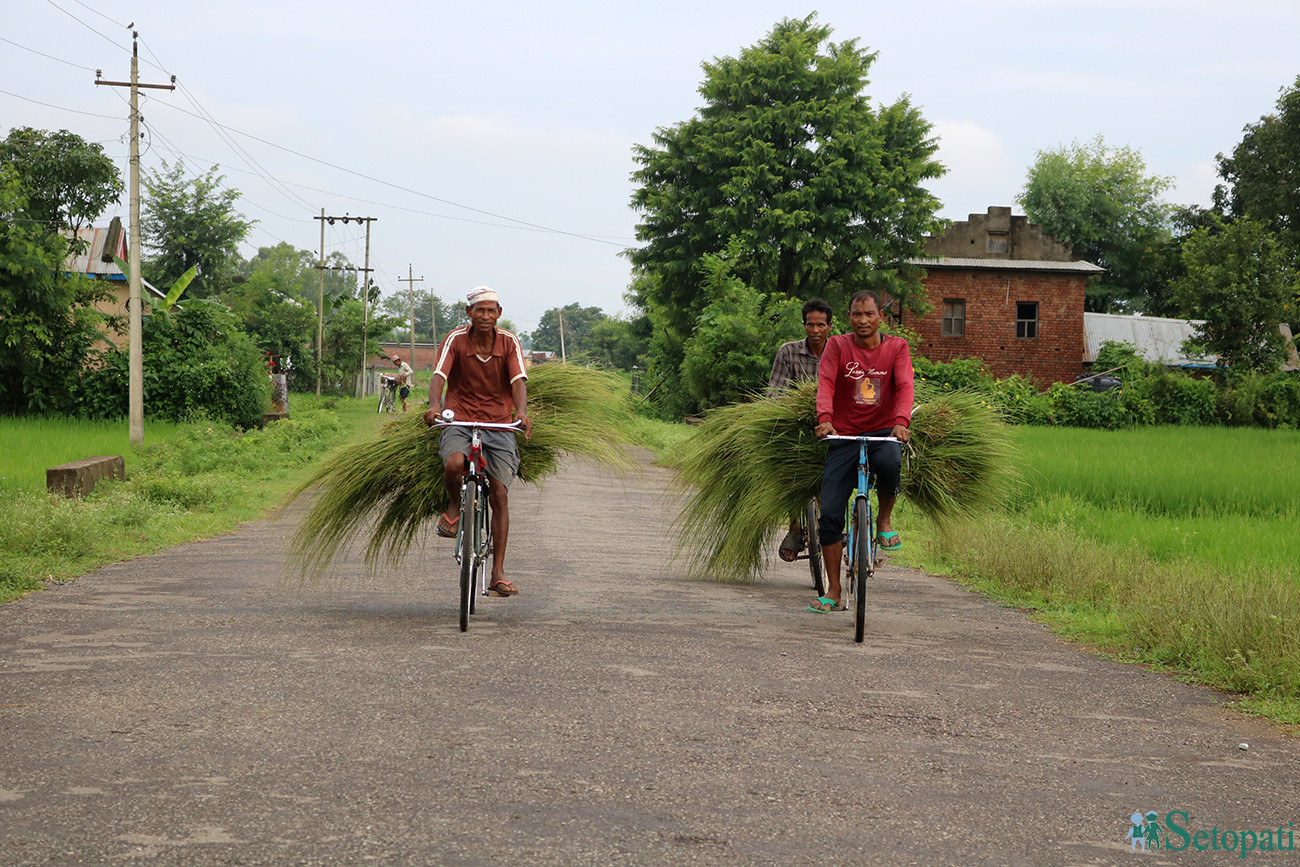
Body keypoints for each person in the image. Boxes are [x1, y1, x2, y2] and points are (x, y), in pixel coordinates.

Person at [423, 286, 532, 597]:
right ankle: (455, 507)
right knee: (455, 463)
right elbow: (439, 375)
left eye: (491, 310)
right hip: (458, 417)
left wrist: (521, 413)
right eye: (479, 310)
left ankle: (497, 573)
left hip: (498, 422)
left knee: (499, 492)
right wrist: (434, 405)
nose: (485, 316)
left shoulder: (509, 341)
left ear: (498, 313)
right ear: (468, 313)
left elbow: (518, 381)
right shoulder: (455, 339)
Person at [809, 290, 913, 613]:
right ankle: (835, 589)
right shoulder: (838, 345)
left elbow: (905, 385)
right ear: (849, 317)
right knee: (829, 515)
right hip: (844, 434)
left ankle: (882, 520)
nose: (863, 320)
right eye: (857, 314)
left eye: (869, 314)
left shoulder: (897, 347)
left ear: (881, 316)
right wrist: (825, 419)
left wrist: (901, 421)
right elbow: (825, 382)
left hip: (884, 432)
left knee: (890, 463)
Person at [767, 297, 833, 561]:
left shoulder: (840, 351)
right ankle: (795, 527)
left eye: (820, 325)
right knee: (788, 468)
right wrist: (788, 412)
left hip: (832, 423)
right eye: (810, 324)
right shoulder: (788, 351)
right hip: (796, 421)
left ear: (830, 325)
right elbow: (775, 392)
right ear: (804, 325)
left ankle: (834, 520)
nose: (815, 330)